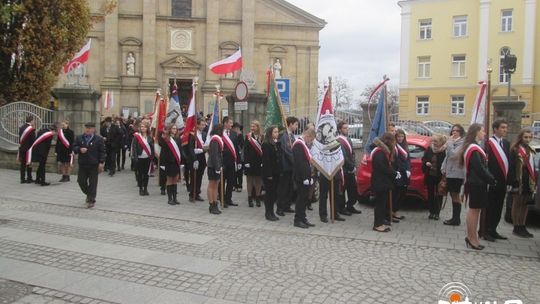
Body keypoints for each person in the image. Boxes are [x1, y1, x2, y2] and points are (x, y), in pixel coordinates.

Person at [460, 124, 496, 250]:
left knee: (476, 211)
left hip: (477, 183)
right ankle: (471, 238)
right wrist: (491, 179)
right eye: (482, 131)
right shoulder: (473, 148)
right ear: (476, 132)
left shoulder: (474, 147)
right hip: (476, 183)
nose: (485, 133)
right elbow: (479, 168)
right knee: (474, 211)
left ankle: (473, 237)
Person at [484, 119, 510, 242]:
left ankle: (494, 229)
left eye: (506, 127)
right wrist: (489, 179)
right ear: (495, 129)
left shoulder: (506, 143)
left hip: (502, 181)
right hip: (492, 181)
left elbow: (508, 163)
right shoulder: (489, 143)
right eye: (502, 127)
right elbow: (486, 164)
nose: (505, 130)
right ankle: (486, 230)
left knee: (499, 207)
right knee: (490, 206)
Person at [508, 128, 536, 238]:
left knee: (525, 204)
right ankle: (516, 226)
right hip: (518, 180)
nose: (528, 139)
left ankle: (523, 225)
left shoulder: (531, 150)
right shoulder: (515, 150)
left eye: (529, 137)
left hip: (528, 180)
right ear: (521, 137)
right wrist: (513, 182)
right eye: (525, 137)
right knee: (517, 203)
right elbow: (511, 167)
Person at [72, 122, 106, 208]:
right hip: (83, 164)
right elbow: (73, 148)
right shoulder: (79, 138)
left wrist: (101, 162)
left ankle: (91, 199)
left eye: (90, 128)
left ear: (94, 129)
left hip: (94, 164)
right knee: (81, 181)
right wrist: (79, 149)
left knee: (93, 183)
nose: (88, 130)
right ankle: (89, 194)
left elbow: (102, 151)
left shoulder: (98, 139)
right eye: (87, 128)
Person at [371, 133, 399, 232]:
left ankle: (380, 222)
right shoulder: (379, 153)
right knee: (380, 204)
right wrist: (394, 173)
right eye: (393, 141)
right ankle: (377, 225)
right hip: (380, 182)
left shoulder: (383, 152)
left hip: (382, 182)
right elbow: (383, 167)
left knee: (382, 204)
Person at [441, 124, 466, 226]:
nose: (454, 132)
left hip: (457, 173)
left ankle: (456, 219)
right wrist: (443, 167)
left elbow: (453, 155)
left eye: (457, 131)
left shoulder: (462, 143)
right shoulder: (452, 142)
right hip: (450, 173)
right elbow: (447, 156)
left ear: (461, 132)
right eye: (453, 131)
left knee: (455, 195)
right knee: (452, 194)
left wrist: (449, 143)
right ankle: (454, 218)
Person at [292, 127, 316, 228]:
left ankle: (303, 217)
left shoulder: (303, 144)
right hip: (301, 176)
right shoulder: (298, 144)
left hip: (306, 176)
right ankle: (298, 220)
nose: (310, 142)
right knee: (301, 198)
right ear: (307, 136)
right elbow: (300, 163)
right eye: (310, 139)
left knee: (304, 198)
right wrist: (305, 177)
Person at [337, 121, 362, 215]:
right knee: (342, 190)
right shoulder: (338, 140)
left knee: (353, 189)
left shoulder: (348, 139)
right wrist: (351, 166)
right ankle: (341, 208)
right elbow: (343, 156)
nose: (347, 129)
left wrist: (354, 165)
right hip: (344, 170)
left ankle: (350, 205)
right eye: (345, 128)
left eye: (347, 128)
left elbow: (352, 154)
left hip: (351, 169)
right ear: (340, 129)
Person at [276, 116, 299, 216]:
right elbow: (287, 151)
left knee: (290, 187)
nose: (297, 126)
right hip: (285, 166)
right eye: (296, 124)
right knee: (283, 188)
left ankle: (287, 205)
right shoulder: (284, 136)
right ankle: (280, 208)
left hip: (291, 167)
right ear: (290, 124)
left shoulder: (292, 136)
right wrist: (295, 162)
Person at [422, 134, 447, 220]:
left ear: (441, 142)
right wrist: (426, 163)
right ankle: (431, 212)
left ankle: (437, 212)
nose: (434, 143)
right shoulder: (429, 149)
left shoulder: (444, 151)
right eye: (433, 141)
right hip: (430, 175)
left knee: (439, 194)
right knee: (430, 194)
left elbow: (447, 162)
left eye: (436, 141)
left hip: (439, 175)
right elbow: (424, 158)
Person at [262, 125, 281, 221]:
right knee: (269, 194)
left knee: (274, 194)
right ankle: (268, 212)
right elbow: (266, 161)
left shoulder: (276, 143)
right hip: (269, 174)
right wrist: (269, 174)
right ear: (270, 133)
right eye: (275, 132)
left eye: (277, 132)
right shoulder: (266, 144)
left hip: (276, 172)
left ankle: (272, 212)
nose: (277, 134)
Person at [159, 125, 182, 205]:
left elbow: (180, 151)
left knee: (175, 180)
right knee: (169, 180)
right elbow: (163, 153)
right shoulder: (166, 140)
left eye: (175, 128)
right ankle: (170, 199)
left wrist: (181, 162)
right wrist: (162, 164)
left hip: (176, 163)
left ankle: (175, 198)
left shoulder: (178, 139)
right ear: (170, 130)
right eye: (173, 128)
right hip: (168, 163)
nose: (174, 130)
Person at [187, 118, 207, 202]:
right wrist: (194, 158)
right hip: (194, 158)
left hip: (202, 157)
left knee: (199, 176)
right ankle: (192, 194)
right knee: (193, 177)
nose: (203, 126)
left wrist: (204, 149)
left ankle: (197, 193)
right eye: (201, 124)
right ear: (197, 125)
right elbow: (190, 148)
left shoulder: (204, 134)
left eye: (204, 124)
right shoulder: (192, 134)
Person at [244, 120, 263, 207]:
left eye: (254, 126)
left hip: (259, 162)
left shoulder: (262, 137)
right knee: (250, 181)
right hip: (250, 162)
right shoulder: (248, 137)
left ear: (258, 127)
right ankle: (250, 198)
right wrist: (246, 161)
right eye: (251, 126)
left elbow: (263, 150)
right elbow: (246, 150)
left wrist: (263, 161)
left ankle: (258, 198)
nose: (252, 128)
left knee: (258, 180)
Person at [221, 117, 240, 207]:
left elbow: (236, 148)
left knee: (230, 181)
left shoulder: (233, 133)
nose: (232, 124)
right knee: (222, 181)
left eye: (232, 123)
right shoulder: (220, 133)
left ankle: (229, 199)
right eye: (230, 122)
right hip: (222, 161)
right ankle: (222, 199)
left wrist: (239, 161)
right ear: (225, 123)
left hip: (232, 161)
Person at [132, 122, 154, 196]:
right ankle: (140, 188)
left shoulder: (149, 137)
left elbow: (152, 147)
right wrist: (135, 157)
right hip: (139, 158)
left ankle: (145, 188)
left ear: (147, 128)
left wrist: (152, 157)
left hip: (147, 158)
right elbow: (134, 147)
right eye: (141, 127)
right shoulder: (137, 136)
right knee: (140, 174)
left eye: (144, 127)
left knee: (146, 174)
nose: (142, 128)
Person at [393, 129, 410, 221]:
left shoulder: (405, 146)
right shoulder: (394, 146)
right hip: (398, 173)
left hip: (405, 174)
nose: (400, 138)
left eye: (402, 136)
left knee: (403, 193)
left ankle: (396, 210)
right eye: (398, 136)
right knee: (396, 193)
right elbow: (395, 161)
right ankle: (393, 211)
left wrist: (408, 170)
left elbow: (408, 160)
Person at [207, 124, 224, 215]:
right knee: (212, 185)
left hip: (217, 166)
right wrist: (217, 167)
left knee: (216, 186)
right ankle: (211, 204)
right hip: (213, 166)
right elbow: (214, 154)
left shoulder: (217, 139)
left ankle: (215, 204)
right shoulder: (215, 140)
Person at [18, 116, 35, 184]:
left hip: (22, 148)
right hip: (29, 149)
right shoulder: (31, 129)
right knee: (29, 163)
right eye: (33, 120)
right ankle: (29, 178)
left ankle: (22, 179)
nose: (34, 122)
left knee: (22, 164)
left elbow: (20, 137)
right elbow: (33, 140)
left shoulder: (21, 127)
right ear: (31, 121)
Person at [233, 122, 244, 192]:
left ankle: (239, 185)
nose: (237, 130)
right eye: (235, 128)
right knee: (233, 172)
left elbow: (242, 146)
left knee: (239, 172)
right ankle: (234, 185)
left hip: (239, 156)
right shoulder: (232, 135)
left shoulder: (240, 136)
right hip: (233, 155)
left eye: (238, 128)